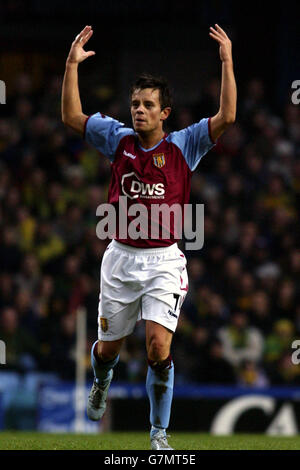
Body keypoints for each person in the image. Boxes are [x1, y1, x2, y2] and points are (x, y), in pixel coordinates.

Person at [61, 24, 236, 450]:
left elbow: (227, 117)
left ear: (164, 113)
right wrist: (71, 65)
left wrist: (227, 59)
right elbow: (70, 116)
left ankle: (158, 434)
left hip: (164, 261)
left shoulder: (184, 145)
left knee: (159, 348)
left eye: (148, 105)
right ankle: (101, 383)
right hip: (120, 258)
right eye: (135, 103)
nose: (139, 110)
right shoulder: (116, 138)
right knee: (106, 350)